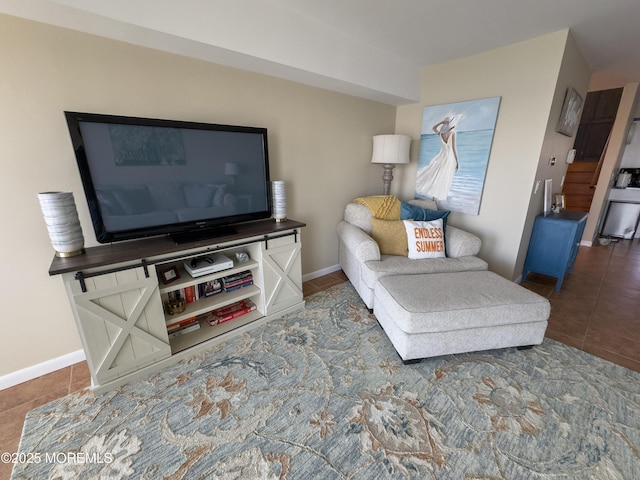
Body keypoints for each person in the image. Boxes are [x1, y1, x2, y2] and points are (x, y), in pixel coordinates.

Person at [416, 114, 462, 200]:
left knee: (436, 174)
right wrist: (457, 162)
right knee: (443, 176)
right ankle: (436, 196)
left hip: (441, 156)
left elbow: (433, 128)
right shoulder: (453, 133)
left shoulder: (441, 134)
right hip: (449, 158)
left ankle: (434, 197)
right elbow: (454, 148)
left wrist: (441, 122)